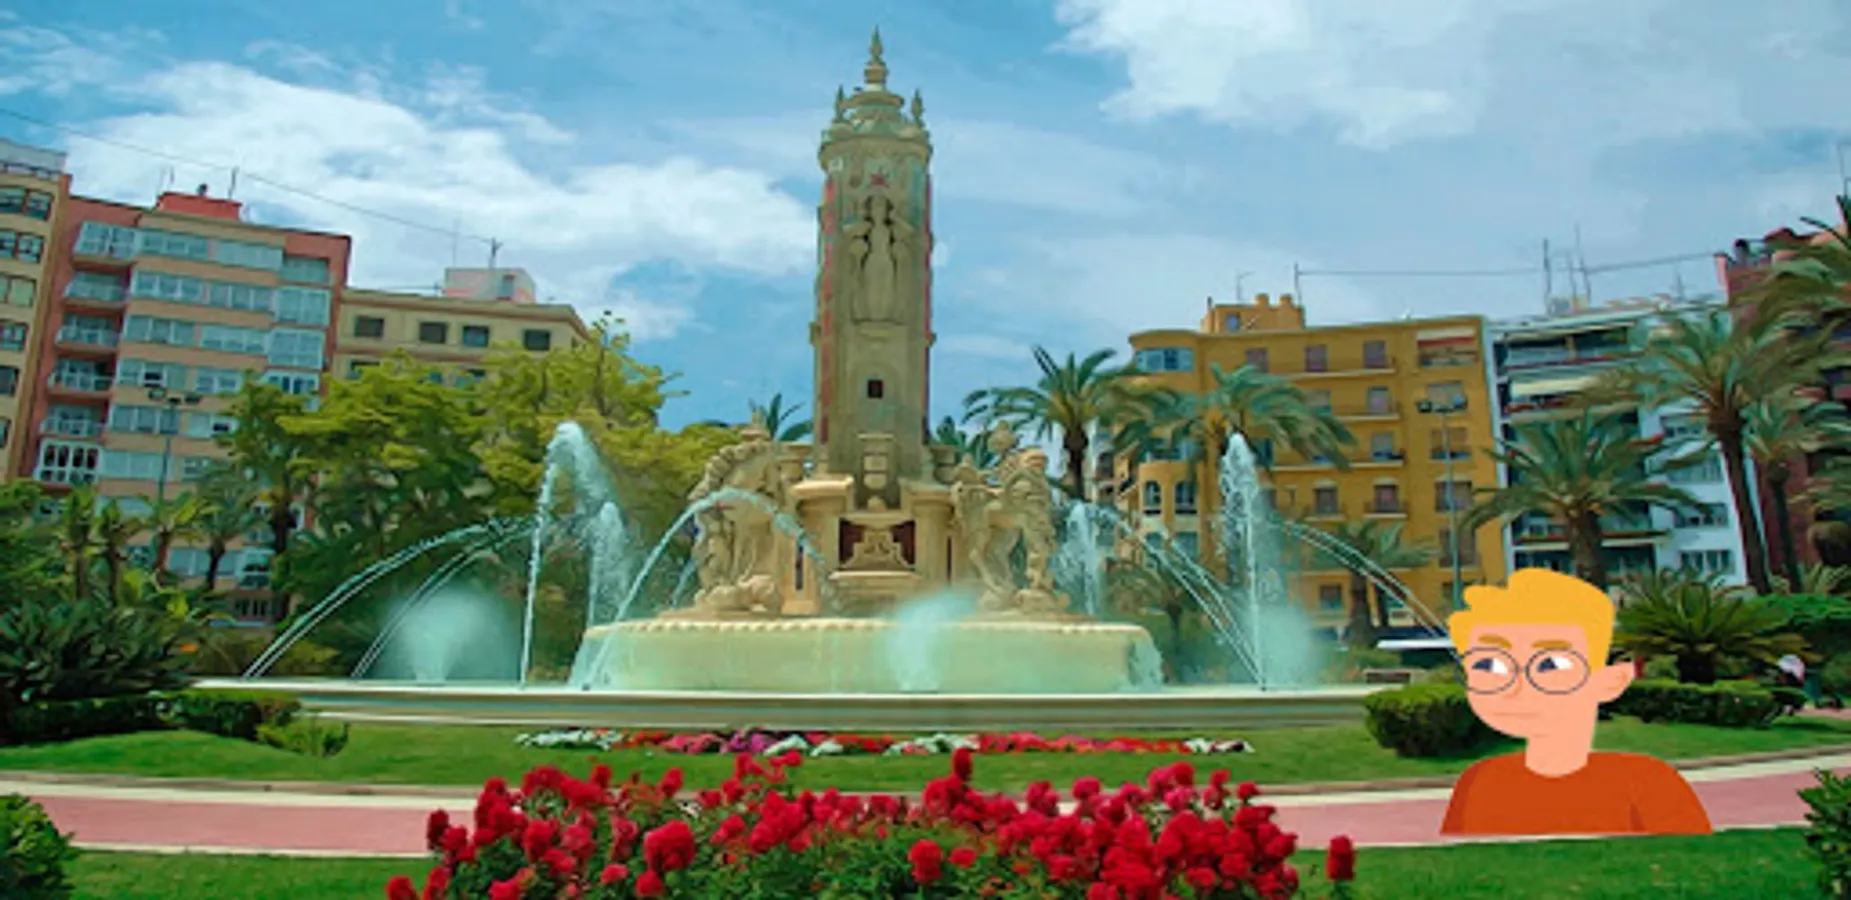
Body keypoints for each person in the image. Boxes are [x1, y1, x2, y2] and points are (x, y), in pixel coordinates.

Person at [1439, 568, 1713, 836]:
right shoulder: (1481, 782)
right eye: (1489, 665)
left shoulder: (1647, 783)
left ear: (1612, 680)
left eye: (1551, 664)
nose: (1516, 688)